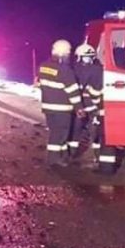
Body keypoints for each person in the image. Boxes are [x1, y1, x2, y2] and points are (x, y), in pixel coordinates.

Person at [37, 39, 82, 167]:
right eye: (68, 53)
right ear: (64, 54)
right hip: (62, 109)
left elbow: (40, 84)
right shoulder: (65, 70)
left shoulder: (43, 66)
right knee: (59, 134)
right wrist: (79, 108)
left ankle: (62, 156)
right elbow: (73, 92)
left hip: (48, 108)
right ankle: (54, 159)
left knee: (55, 132)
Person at [98, 48, 125, 175]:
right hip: (119, 111)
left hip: (116, 112)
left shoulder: (115, 73)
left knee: (109, 139)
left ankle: (106, 171)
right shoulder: (120, 73)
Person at [72, 43, 102, 161]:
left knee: (78, 130)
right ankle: (96, 156)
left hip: (81, 106)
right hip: (91, 106)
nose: (88, 60)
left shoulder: (74, 68)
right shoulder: (98, 70)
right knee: (92, 132)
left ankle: (72, 154)